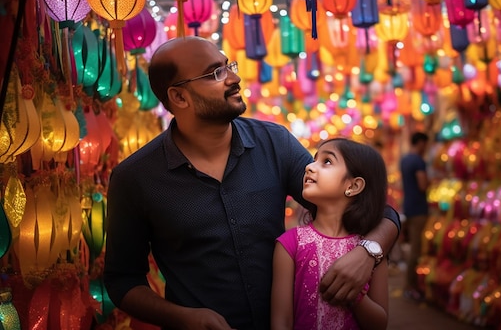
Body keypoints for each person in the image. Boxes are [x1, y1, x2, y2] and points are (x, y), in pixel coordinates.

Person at [103, 36, 400, 330]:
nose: (234, 78)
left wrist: (369, 251)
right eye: (216, 73)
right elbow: (123, 280)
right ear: (179, 97)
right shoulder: (136, 178)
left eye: (227, 65)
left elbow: (366, 208)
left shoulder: (274, 143)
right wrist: (182, 317)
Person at [271, 138, 389, 330]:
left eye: (327, 161)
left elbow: (380, 324)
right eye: (314, 160)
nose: (309, 167)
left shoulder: (370, 252)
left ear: (353, 186)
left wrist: (355, 295)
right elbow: (281, 321)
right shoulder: (289, 244)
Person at [400, 131, 430, 301]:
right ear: (420, 143)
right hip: (419, 209)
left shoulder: (405, 160)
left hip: (409, 208)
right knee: (416, 251)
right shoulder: (418, 161)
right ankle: (411, 286)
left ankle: (410, 285)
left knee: (412, 248)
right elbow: (423, 184)